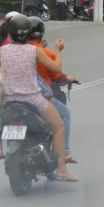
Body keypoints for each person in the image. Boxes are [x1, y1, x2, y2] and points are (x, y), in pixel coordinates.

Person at [0, 15, 77, 182]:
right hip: (33, 100)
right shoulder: (34, 50)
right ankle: (62, 169)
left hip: (8, 101)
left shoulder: (1, 51)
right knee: (59, 127)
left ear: (10, 33)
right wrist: (58, 51)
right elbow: (56, 67)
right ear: (28, 34)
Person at [27, 17, 77, 164]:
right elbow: (57, 72)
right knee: (65, 115)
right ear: (41, 34)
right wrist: (57, 50)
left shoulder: (10, 50)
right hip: (37, 97)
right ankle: (65, 153)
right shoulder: (43, 53)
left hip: (13, 98)